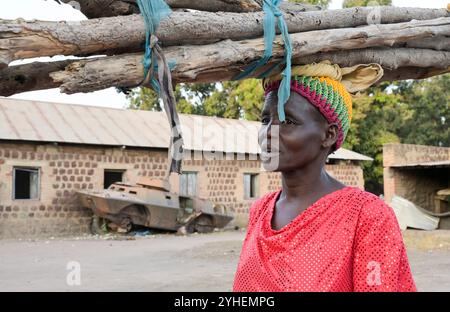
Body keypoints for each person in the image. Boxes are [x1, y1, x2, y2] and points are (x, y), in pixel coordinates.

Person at [233, 61, 416, 292]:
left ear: (328, 135)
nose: (269, 132)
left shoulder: (366, 216)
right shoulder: (259, 210)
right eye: (265, 120)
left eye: (288, 121)